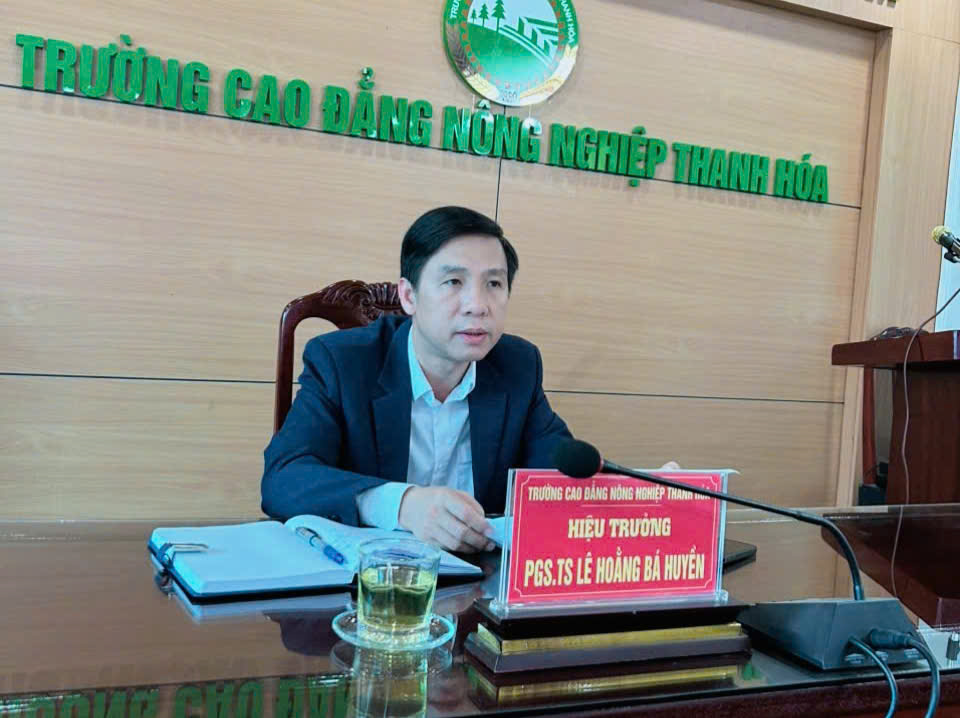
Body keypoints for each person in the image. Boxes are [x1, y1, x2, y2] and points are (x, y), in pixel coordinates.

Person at [261, 206, 573, 552]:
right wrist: (402, 504)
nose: (477, 305)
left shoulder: (518, 366)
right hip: (369, 578)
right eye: (454, 282)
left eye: (494, 284)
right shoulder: (342, 362)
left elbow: (560, 476)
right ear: (409, 296)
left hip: (479, 576)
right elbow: (284, 479)